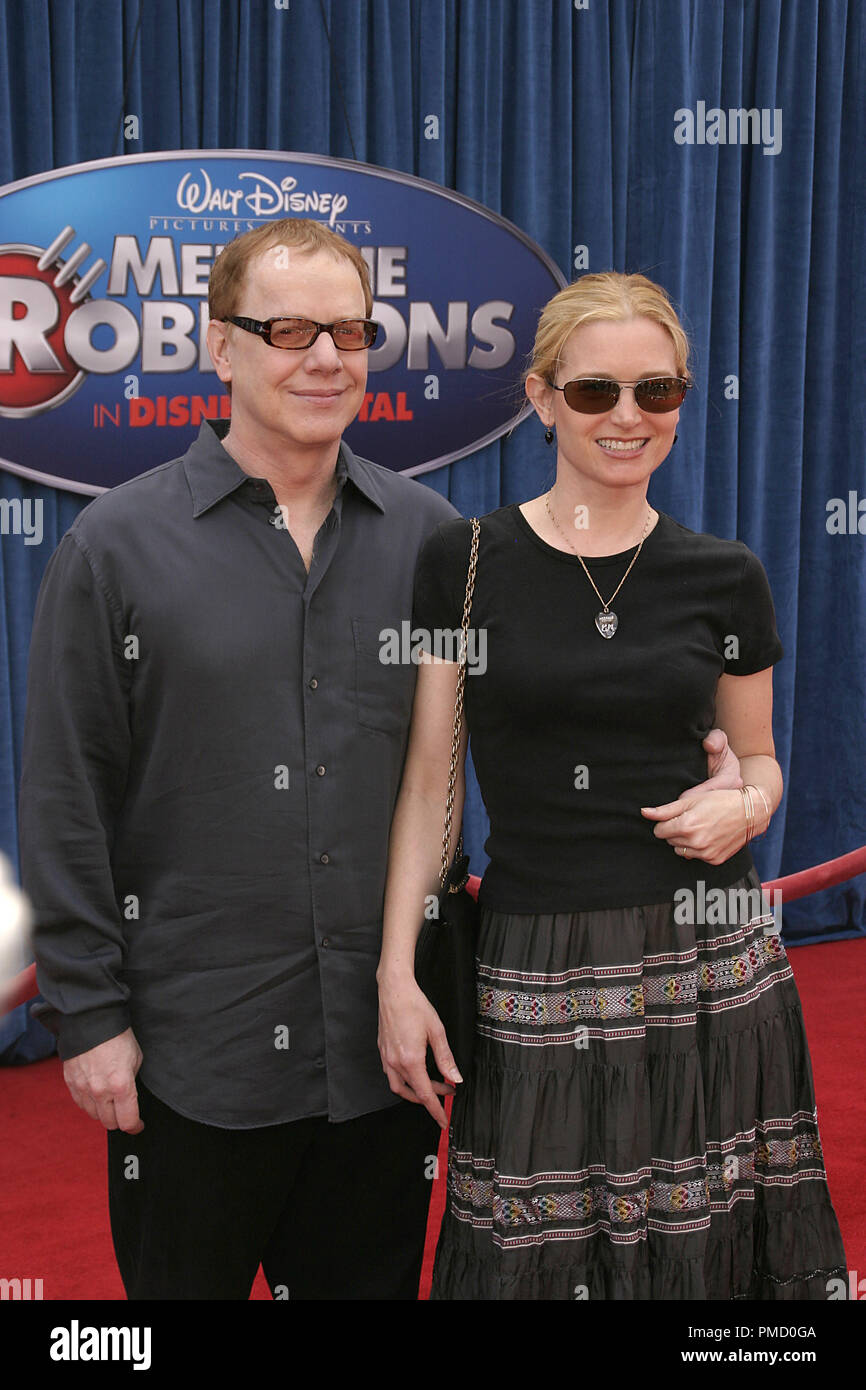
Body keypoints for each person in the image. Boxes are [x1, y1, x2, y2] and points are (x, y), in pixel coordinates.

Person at [377, 271, 848, 1300]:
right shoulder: (459, 562)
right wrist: (397, 973)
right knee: (533, 1254)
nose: (626, 417)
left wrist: (748, 801)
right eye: (594, 392)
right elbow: (426, 783)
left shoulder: (724, 574)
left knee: (705, 1252)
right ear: (542, 399)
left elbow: (758, 756)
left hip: (709, 960)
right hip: (534, 954)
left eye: (656, 391)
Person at [18, 218, 461, 1300]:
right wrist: (90, 1017)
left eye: (350, 331)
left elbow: (460, 762)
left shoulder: (431, 539)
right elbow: (65, 792)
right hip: (187, 1063)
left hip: (377, 1067)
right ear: (220, 348)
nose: (325, 357)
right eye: (290, 329)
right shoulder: (114, 548)